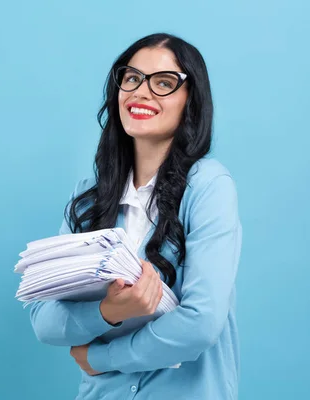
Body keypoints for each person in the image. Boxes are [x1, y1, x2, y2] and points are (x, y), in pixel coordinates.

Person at [28, 32, 242, 400]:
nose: (141, 92)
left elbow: (201, 324)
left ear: (191, 101)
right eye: (131, 78)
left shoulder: (208, 186)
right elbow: (45, 322)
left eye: (163, 83)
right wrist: (110, 309)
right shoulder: (88, 198)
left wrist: (103, 356)